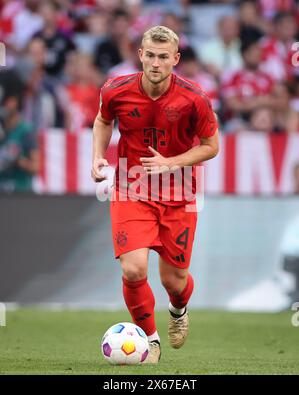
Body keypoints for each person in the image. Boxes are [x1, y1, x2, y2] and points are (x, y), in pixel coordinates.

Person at [91, 26, 219, 363]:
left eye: (164, 57)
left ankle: (178, 310)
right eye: (150, 55)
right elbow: (103, 121)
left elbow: (211, 146)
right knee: (133, 270)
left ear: (175, 59)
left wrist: (171, 163)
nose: (156, 63)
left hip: (179, 195)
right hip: (130, 189)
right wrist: (97, 156)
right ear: (141, 55)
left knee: (174, 281)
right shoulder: (115, 89)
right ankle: (149, 341)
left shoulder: (195, 97)